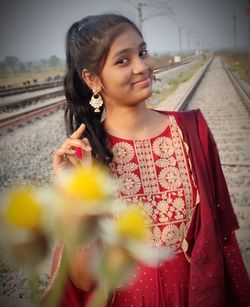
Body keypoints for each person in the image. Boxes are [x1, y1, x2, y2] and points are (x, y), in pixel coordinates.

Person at [44, 13, 250, 307]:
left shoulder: (193, 131)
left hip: (197, 295)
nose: (142, 67)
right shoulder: (82, 159)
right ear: (92, 79)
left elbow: (224, 241)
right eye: (123, 60)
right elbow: (84, 280)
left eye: (142, 53)